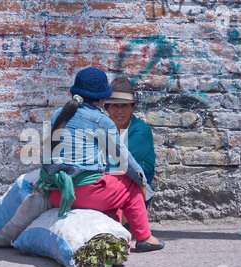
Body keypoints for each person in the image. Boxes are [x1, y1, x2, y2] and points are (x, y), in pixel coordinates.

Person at [35, 67, 164, 252]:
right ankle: (145, 237)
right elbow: (125, 161)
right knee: (130, 185)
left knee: (111, 190)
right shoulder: (100, 121)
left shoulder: (58, 114)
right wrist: (141, 180)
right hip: (86, 194)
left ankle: (115, 234)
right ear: (103, 100)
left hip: (58, 193)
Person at [104, 77, 157, 207]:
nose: (119, 111)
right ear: (107, 108)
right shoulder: (103, 127)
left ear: (133, 107)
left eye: (125, 106)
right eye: (115, 106)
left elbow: (120, 164)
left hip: (136, 187)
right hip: (108, 181)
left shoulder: (141, 131)